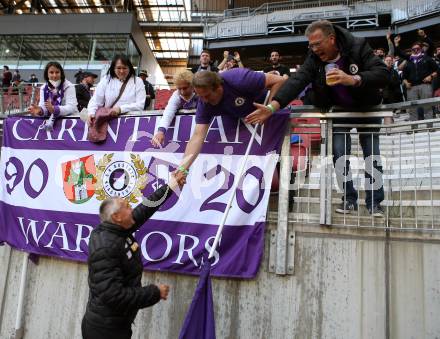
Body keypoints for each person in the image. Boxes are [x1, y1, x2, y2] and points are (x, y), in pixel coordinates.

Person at [249, 20, 390, 217]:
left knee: (372, 156)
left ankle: (374, 203)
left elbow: (383, 73)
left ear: (331, 39)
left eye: (317, 44)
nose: (314, 49)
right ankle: (349, 199)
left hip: (367, 109)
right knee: (340, 156)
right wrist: (272, 107)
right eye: (311, 45)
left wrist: (354, 79)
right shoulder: (313, 58)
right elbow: (297, 81)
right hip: (338, 112)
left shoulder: (358, 46)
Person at [81, 172, 186, 339]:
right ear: (116, 217)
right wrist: (154, 293)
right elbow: (113, 295)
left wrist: (171, 186)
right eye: (128, 207)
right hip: (104, 331)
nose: (132, 209)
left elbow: (145, 208)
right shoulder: (106, 247)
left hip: (117, 324)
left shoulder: (117, 229)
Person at [174, 68, 285, 176]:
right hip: (241, 117)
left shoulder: (239, 78)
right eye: (200, 97)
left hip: (264, 109)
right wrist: (183, 168)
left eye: (207, 96)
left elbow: (280, 80)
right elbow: (197, 136)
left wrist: (269, 108)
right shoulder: (204, 103)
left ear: (218, 87)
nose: (204, 100)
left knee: (270, 153)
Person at [87, 55, 146, 126]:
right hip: (108, 122)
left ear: (129, 68)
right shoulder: (106, 80)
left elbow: (140, 105)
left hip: (130, 123)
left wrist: (120, 109)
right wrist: (91, 113)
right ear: (113, 68)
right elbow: (96, 100)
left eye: (124, 68)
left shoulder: (137, 81)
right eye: (118, 68)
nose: (121, 71)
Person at [151, 70, 198, 147]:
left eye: (185, 88)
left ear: (192, 85)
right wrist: (160, 131)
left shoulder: (200, 92)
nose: (182, 92)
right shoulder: (176, 95)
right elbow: (168, 113)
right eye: (179, 89)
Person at [399, 41, 438, 126]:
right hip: (411, 87)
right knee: (412, 108)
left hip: (425, 85)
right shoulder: (409, 61)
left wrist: (430, 76)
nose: (416, 50)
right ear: (411, 50)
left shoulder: (427, 58)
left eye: (418, 48)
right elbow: (404, 76)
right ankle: (414, 128)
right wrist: (406, 83)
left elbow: (437, 70)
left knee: (427, 106)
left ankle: (430, 126)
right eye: (414, 49)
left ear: (421, 49)